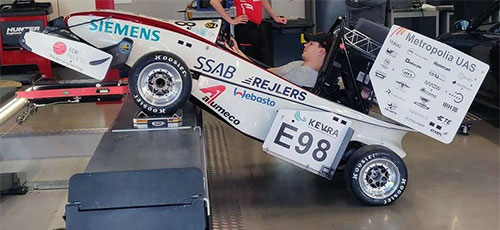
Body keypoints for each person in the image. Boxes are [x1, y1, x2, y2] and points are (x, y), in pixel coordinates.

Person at [226, 32, 334, 88]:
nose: (305, 45)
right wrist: (237, 52)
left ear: (321, 51)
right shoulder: (299, 64)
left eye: (311, 44)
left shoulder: (305, 75)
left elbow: (261, 78)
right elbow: (264, 72)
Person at [210, 0, 287, 63]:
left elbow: (263, 1)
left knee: (264, 61)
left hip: (259, 27)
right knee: (247, 60)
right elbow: (214, 2)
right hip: (245, 28)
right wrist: (231, 20)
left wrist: (275, 17)